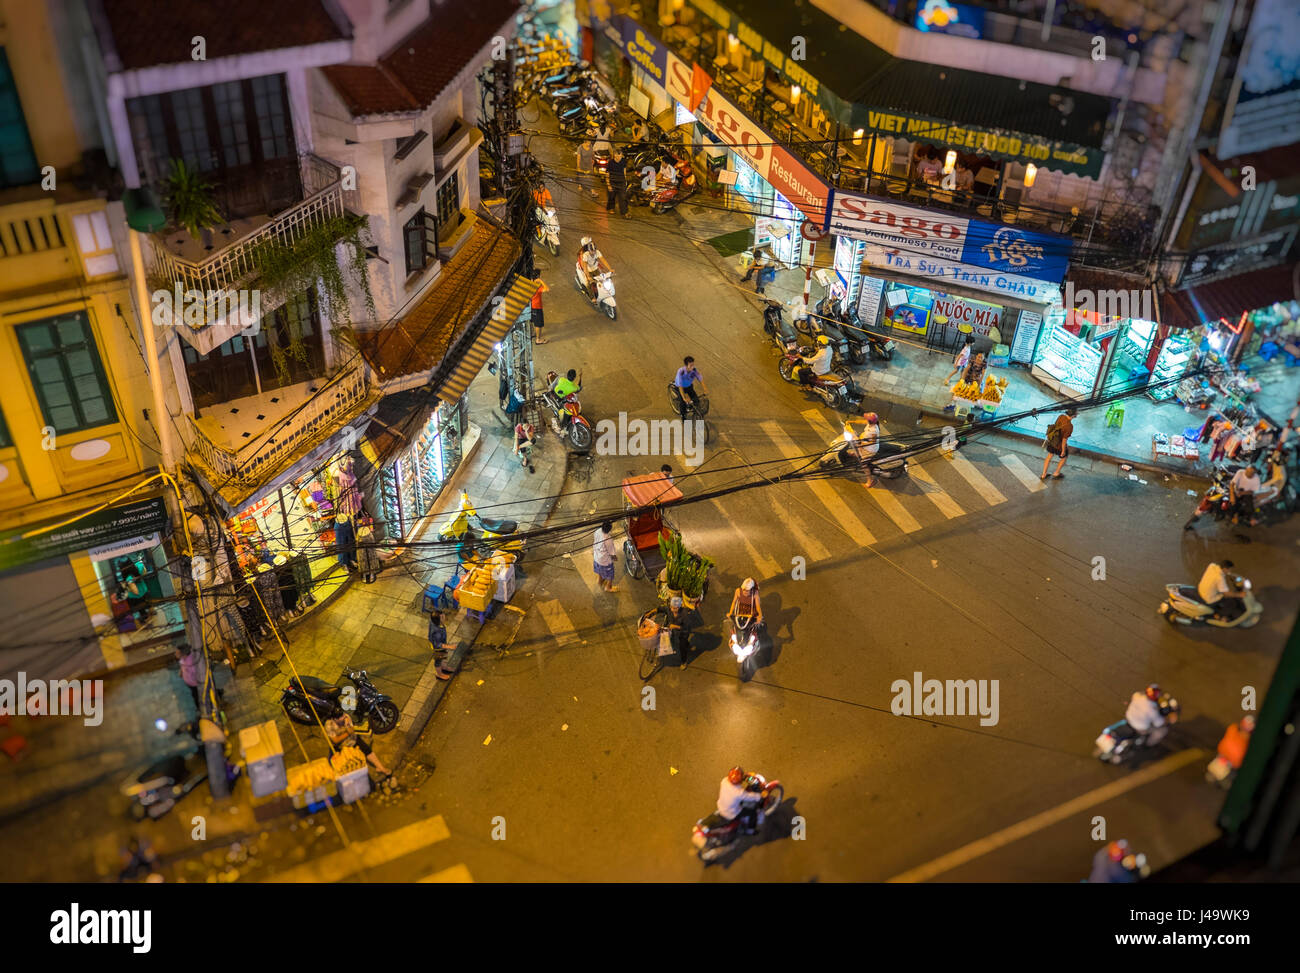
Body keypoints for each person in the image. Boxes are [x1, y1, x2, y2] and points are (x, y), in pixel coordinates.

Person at [326, 711, 392, 778]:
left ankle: (380, 768)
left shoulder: (346, 717)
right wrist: (348, 733)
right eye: (340, 717)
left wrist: (347, 726)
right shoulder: (329, 725)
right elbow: (336, 740)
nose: (343, 717)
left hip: (352, 740)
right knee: (339, 765)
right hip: (340, 746)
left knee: (367, 750)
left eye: (342, 715)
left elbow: (352, 730)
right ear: (334, 719)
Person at [717, 766, 763, 834]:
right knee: (753, 813)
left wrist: (744, 777)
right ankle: (750, 831)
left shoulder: (724, 781)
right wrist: (759, 796)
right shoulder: (739, 793)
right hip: (731, 813)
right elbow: (751, 796)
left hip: (721, 806)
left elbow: (735, 780)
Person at [1040, 408, 1077, 480]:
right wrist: (1063, 450)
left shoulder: (1061, 416)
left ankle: (1043, 474)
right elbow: (1064, 440)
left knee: (1049, 456)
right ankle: (1056, 473)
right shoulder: (1069, 426)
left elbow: (1056, 426)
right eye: (1076, 413)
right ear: (1073, 415)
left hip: (1052, 441)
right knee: (1064, 458)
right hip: (1059, 445)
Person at [664, 595, 696, 668]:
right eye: (671, 607)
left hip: (683, 633)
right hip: (676, 632)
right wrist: (650, 613)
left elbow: (686, 628)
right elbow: (660, 609)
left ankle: (684, 662)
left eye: (674, 608)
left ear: (679, 607)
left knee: (682, 647)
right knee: (684, 643)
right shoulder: (669, 609)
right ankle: (688, 645)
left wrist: (675, 626)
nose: (672, 609)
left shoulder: (684, 614)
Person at [593, 521, 619, 593]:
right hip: (604, 561)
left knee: (600, 570)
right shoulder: (608, 539)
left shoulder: (598, 531)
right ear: (609, 529)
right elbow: (611, 553)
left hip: (596, 557)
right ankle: (608, 587)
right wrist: (615, 558)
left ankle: (600, 581)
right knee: (610, 574)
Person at [175, 644, 202, 713]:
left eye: (177, 653)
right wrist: (181, 671)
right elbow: (182, 664)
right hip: (189, 682)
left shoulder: (191, 664)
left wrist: (196, 683)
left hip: (194, 684)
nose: (175, 654)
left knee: (196, 695)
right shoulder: (183, 659)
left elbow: (197, 675)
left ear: (183, 655)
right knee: (194, 693)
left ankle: (199, 707)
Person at [606, 149, 628, 217]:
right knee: (612, 195)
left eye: (620, 156)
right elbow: (607, 174)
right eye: (617, 156)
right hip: (613, 180)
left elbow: (624, 171)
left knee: (623, 197)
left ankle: (624, 212)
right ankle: (611, 208)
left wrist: (625, 180)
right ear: (614, 155)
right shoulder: (610, 163)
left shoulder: (623, 161)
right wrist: (608, 184)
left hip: (621, 181)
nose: (619, 158)